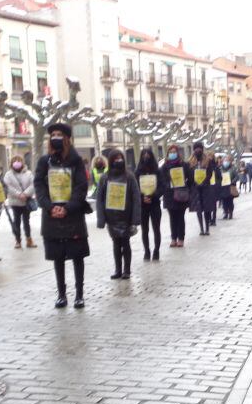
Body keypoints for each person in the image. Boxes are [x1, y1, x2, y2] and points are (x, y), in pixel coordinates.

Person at [34, 123, 90, 309]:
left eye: (59, 135)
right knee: (58, 257)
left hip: (72, 215)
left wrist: (69, 207)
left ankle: (79, 294)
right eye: (53, 135)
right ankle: (61, 294)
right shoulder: (44, 161)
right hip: (52, 216)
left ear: (67, 138)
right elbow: (39, 186)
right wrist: (49, 207)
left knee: (77, 256)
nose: (56, 137)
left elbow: (81, 187)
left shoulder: (76, 162)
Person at [96, 148, 141, 280]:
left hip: (126, 217)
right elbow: (100, 199)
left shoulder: (129, 177)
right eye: (115, 159)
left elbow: (136, 197)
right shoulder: (105, 178)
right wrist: (101, 219)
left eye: (120, 158)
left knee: (125, 243)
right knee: (116, 244)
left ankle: (126, 270)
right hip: (112, 217)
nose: (118, 161)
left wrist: (135, 219)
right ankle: (118, 269)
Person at [135, 147, 164, 260]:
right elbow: (135, 188)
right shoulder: (137, 172)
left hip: (155, 204)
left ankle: (156, 250)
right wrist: (142, 198)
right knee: (144, 229)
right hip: (143, 205)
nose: (146, 156)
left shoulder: (157, 171)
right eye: (144, 154)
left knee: (156, 228)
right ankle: (146, 251)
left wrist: (154, 196)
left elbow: (162, 186)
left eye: (148, 154)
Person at [162, 143, 192, 248]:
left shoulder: (184, 165)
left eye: (174, 152)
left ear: (178, 153)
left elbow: (190, 178)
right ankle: (173, 238)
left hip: (181, 194)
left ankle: (181, 238)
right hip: (169, 195)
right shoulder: (165, 166)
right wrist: (167, 185)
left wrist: (184, 183)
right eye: (170, 152)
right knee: (172, 218)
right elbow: (162, 180)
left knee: (180, 217)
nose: (172, 154)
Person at [4, 154, 36, 249]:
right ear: (11, 163)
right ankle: (18, 240)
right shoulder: (8, 174)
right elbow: (7, 187)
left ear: (22, 162)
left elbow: (33, 185)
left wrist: (25, 194)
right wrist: (19, 194)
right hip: (15, 202)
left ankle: (29, 239)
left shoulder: (29, 173)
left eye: (19, 160)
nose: (17, 162)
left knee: (27, 221)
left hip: (26, 201)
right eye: (15, 161)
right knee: (16, 221)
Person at [189, 140, 219, 236]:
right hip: (195, 188)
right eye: (196, 149)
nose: (198, 150)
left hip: (206, 187)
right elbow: (189, 174)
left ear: (202, 149)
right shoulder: (190, 162)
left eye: (199, 148)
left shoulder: (208, 161)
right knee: (198, 209)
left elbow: (210, 173)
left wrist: (204, 182)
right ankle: (201, 228)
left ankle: (207, 228)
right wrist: (193, 182)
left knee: (206, 208)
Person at [219, 155, 238, 220]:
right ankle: (225, 213)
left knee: (230, 201)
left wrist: (232, 181)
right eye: (224, 161)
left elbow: (236, 177)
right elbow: (218, 177)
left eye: (227, 161)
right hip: (223, 187)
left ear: (230, 162)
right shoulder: (220, 169)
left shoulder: (233, 168)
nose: (225, 162)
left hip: (230, 187)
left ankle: (230, 213)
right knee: (224, 201)